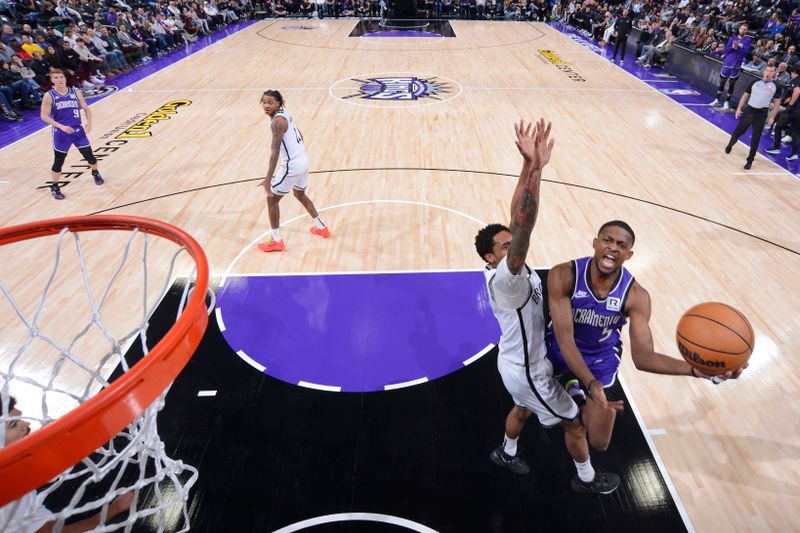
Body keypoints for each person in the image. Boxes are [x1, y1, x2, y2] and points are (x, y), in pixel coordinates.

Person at [476, 118, 621, 494]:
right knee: (574, 423)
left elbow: (513, 223)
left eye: (510, 243)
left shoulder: (507, 268)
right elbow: (522, 227)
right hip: (528, 370)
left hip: (519, 364)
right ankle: (588, 479)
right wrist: (538, 171)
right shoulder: (507, 278)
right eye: (505, 247)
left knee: (522, 409)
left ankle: (506, 452)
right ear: (491, 258)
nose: (514, 247)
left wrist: (526, 165)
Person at [546, 221, 747, 453]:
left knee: (599, 442)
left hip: (600, 357)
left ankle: (578, 396)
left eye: (621, 245)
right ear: (595, 243)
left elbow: (644, 358)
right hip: (561, 347)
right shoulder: (564, 274)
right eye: (607, 240)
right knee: (527, 406)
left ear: (628, 254)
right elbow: (565, 339)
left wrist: (696, 370)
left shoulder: (636, 296)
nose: (613, 248)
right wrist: (591, 384)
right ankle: (573, 388)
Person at [0, 395, 134, 532]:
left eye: (19, 418)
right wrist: (112, 510)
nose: (26, 424)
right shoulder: (9, 491)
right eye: (13, 424)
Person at [257, 90, 329, 252]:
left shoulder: (277, 123)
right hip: (303, 160)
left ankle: (276, 240)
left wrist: (268, 179)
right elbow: (300, 136)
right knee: (300, 194)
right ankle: (321, 227)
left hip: (292, 165)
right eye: (264, 102)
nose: (266, 106)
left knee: (272, 200)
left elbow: (274, 154)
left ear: (279, 103)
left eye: (270, 103)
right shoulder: (286, 115)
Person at [39, 69, 105, 200]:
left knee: (90, 157)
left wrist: (89, 123)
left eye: (61, 77)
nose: (59, 79)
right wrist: (61, 126)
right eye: (56, 78)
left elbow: (86, 109)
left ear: (65, 78)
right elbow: (44, 116)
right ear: (52, 80)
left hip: (78, 131)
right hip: (61, 133)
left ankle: (95, 172)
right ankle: (55, 186)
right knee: (58, 162)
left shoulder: (75, 92)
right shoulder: (49, 95)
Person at [724, 65, 782, 170]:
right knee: (738, 132)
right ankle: (730, 144)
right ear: (764, 71)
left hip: (761, 114)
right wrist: (738, 109)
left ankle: (750, 160)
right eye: (767, 70)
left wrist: (772, 117)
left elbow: (777, 104)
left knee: (755, 138)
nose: (768, 72)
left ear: (774, 73)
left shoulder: (776, 86)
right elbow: (745, 96)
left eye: (771, 71)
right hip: (749, 111)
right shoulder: (755, 82)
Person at [710, 22, 751, 110]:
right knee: (722, 82)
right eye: (741, 28)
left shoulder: (747, 40)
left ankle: (727, 102)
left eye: (744, 29)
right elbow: (726, 50)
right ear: (739, 29)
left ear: (746, 31)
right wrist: (733, 47)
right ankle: (717, 99)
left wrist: (738, 47)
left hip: (736, 65)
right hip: (727, 63)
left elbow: (745, 52)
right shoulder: (733, 38)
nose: (743, 30)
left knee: (731, 84)